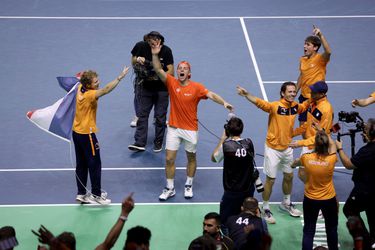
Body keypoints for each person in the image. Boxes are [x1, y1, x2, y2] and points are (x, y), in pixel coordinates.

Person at [150, 40, 233, 200]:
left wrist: (224, 102)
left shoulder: (197, 87)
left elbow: (211, 94)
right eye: (180, 68)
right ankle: (170, 187)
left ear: (189, 73)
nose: (181, 70)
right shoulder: (172, 82)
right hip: (174, 128)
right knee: (169, 159)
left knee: (191, 158)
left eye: (185, 69)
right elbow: (158, 69)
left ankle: (188, 184)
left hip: (190, 129)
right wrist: (155, 54)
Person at [237, 82, 309, 224]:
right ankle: (265, 207)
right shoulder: (275, 106)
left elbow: (306, 105)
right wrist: (246, 95)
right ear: (283, 93)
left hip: (287, 148)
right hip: (272, 149)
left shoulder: (296, 107)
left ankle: (286, 203)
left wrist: (317, 97)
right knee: (271, 180)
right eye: (290, 91)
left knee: (289, 176)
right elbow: (260, 103)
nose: (293, 94)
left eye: (294, 91)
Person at [73, 66, 130, 205]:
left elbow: (79, 78)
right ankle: (96, 195)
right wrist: (119, 77)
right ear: (88, 85)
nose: (98, 83)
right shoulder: (90, 94)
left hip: (76, 132)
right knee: (95, 164)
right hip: (88, 135)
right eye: (95, 82)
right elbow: (106, 90)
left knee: (81, 164)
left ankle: (81, 193)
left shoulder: (79, 88)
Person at [291, 129, 339, 250]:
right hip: (329, 199)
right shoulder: (332, 159)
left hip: (310, 199)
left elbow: (295, 163)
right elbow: (333, 144)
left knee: (309, 230)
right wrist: (322, 131)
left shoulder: (306, 158)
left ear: (315, 145)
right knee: (332, 229)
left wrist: (293, 164)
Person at [211, 116, 261, 232]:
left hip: (232, 191)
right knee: (246, 218)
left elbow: (214, 158)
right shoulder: (249, 143)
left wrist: (223, 138)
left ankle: (229, 242)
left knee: (224, 221)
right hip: (248, 189)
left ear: (228, 130)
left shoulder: (226, 146)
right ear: (241, 129)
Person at [128, 31, 174, 153]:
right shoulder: (140, 46)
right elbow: (132, 60)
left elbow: (171, 71)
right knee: (142, 115)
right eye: (150, 40)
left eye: (155, 40)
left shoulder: (166, 50)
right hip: (145, 87)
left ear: (160, 41)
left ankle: (158, 141)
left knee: (160, 117)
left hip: (162, 89)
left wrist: (158, 75)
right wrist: (137, 59)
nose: (152, 42)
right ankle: (139, 142)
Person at [335, 118, 375, 249]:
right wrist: (368, 128)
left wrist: (340, 149)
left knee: (349, 209)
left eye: (366, 129)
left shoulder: (367, 151)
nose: (364, 131)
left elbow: (348, 164)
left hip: (365, 189)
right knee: (372, 212)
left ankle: (365, 243)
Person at [297, 25, 331, 125]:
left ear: (315, 47)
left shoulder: (321, 59)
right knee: (302, 126)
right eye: (304, 44)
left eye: (308, 45)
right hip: (303, 97)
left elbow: (328, 52)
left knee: (315, 127)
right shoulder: (302, 59)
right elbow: (302, 75)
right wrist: (295, 91)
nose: (304, 46)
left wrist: (320, 35)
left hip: (316, 98)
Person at [290, 81, 334, 155]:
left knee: (303, 165)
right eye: (312, 90)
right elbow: (308, 124)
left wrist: (300, 143)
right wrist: (292, 133)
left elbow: (322, 135)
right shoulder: (313, 101)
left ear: (322, 94)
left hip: (317, 147)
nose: (311, 93)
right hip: (309, 143)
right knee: (301, 165)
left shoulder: (326, 110)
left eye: (314, 92)